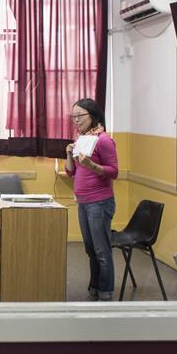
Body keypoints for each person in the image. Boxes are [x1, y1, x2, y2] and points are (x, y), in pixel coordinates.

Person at [64, 98, 119, 302]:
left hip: (100, 202)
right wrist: (69, 154)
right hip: (84, 202)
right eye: (73, 117)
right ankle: (95, 286)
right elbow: (70, 173)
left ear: (93, 115)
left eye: (80, 116)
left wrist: (92, 165)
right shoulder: (81, 140)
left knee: (101, 249)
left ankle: (105, 291)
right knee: (90, 248)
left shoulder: (104, 140)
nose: (76, 120)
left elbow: (114, 172)